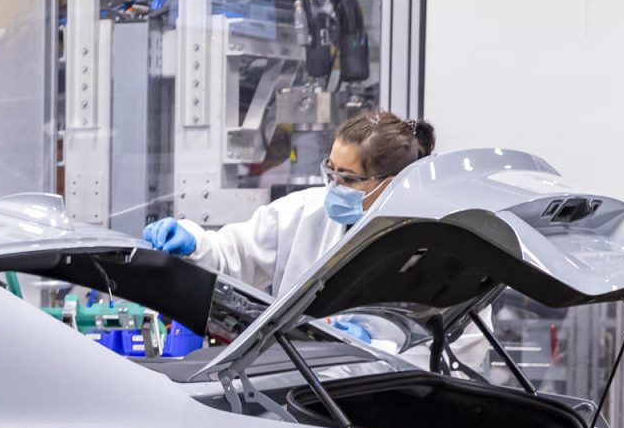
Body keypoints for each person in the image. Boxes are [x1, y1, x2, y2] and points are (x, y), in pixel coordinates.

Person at [143, 111, 487, 369]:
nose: (334, 187)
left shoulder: (439, 248)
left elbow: (461, 354)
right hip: (294, 389)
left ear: (393, 183)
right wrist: (194, 243)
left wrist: (370, 350)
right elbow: (233, 256)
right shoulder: (303, 212)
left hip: (388, 409)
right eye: (330, 171)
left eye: (349, 178)